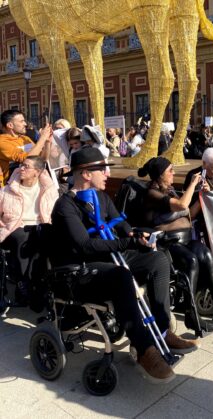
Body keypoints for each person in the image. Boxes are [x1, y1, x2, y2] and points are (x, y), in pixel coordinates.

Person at [51, 147, 198, 384]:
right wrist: (127, 243)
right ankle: (143, 350)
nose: (108, 174)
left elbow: (123, 226)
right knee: (121, 276)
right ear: (86, 173)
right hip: (79, 271)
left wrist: (139, 236)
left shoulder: (101, 197)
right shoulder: (65, 206)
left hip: (106, 261)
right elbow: (85, 246)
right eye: (102, 169)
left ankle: (161, 330)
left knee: (158, 259)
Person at [139, 157, 213, 333]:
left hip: (184, 238)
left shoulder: (169, 191)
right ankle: (191, 313)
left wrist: (202, 194)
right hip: (166, 242)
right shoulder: (152, 194)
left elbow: (189, 213)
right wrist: (193, 183)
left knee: (206, 255)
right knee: (191, 261)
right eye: (170, 170)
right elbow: (182, 205)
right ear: (160, 175)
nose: (173, 173)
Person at [0, 156, 58, 304]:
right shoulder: (7, 190)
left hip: (41, 226)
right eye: (21, 165)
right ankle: (24, 282)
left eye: (26, 166)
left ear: (37, 172)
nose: (21, 169)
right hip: (14, 228)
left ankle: (39, 286)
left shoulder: (48, 190)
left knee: (46, 239)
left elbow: (55, 213)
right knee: (23, 236)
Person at [0, 110, 52, 185]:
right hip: (11, 186)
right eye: (21, 121)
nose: (25, 124)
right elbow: (27, 160)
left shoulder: (25, 139)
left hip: (31, 183)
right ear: (10, 125)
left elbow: (42, 158)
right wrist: (42, 138)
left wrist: (47, 142)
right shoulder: (2, 142)